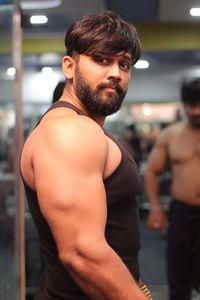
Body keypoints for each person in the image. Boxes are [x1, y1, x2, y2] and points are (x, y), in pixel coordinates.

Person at [20, 11, 151, 300]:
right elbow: (81, 253)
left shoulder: (85, 127)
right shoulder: (70, 131)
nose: (116, 73)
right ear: (69, 66)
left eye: (124, 64)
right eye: (102, 60)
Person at [144, 78, 200, 300]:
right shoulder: (171, 135)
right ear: (184, 104)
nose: (196, 111)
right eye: (191, 105)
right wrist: (155, 208)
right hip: (182, 214)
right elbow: (151, 172)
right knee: (178, 279)